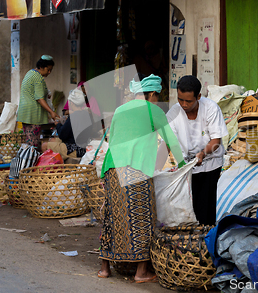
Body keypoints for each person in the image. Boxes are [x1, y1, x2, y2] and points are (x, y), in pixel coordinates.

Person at [97, 74, 185, 281]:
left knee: (112, 216)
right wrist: (182, 166)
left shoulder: (120, 109)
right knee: (143, 217)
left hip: (111, 168)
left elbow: (112, 138)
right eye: (157, 96)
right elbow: (170, 139)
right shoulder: (152, 109)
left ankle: (104, 268)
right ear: (153, 93)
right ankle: (141, 272)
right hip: (135, 169)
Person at [166, 75, 228, 225]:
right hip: (185, 166)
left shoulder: (211, 108)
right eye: (180, 99)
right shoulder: (173, 113)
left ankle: (205, 241)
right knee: (187, 209)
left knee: (206, 207)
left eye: (188, 101)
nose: (184, 104)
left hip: (210, 163)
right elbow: (170, 142)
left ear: (198, 96)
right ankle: (191, 241)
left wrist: (202, 154)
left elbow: (216, 141)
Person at [17, 55, 59, 148]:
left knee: (28, 141)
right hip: (32, 114)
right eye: (48, 69)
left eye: (50, 70)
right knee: (33, 143)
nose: (49, 72)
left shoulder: (30, 73)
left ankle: (27, 160)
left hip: (26, 113)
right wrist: (51, 112)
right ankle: (31, 161)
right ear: (41, 67)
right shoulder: (38, 78)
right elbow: (40, 99)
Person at [42, 88, 88, 159]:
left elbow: (62, 135)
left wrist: (58, 124)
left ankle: (51, 167)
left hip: (75, 149)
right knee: (52, 140)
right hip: (84, 147)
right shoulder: (86, 114)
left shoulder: (73, 116)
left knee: (44, 145)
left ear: (72, 103)